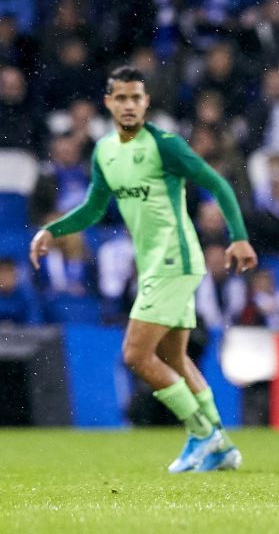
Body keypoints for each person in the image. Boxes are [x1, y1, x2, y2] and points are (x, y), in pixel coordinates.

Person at [29, 66, 258, 473]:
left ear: (146, 102)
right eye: (121, 97)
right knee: (174, 357)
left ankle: (202, 435)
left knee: (136, 355)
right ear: (109, 103)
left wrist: (237, 236)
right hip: (154, 266)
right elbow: (95, 207)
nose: (129, 104)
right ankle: (219, 442)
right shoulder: (103, 151)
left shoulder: (165, 145)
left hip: (175, 258)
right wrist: (54, 229)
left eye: (136, 97)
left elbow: (217, 184)